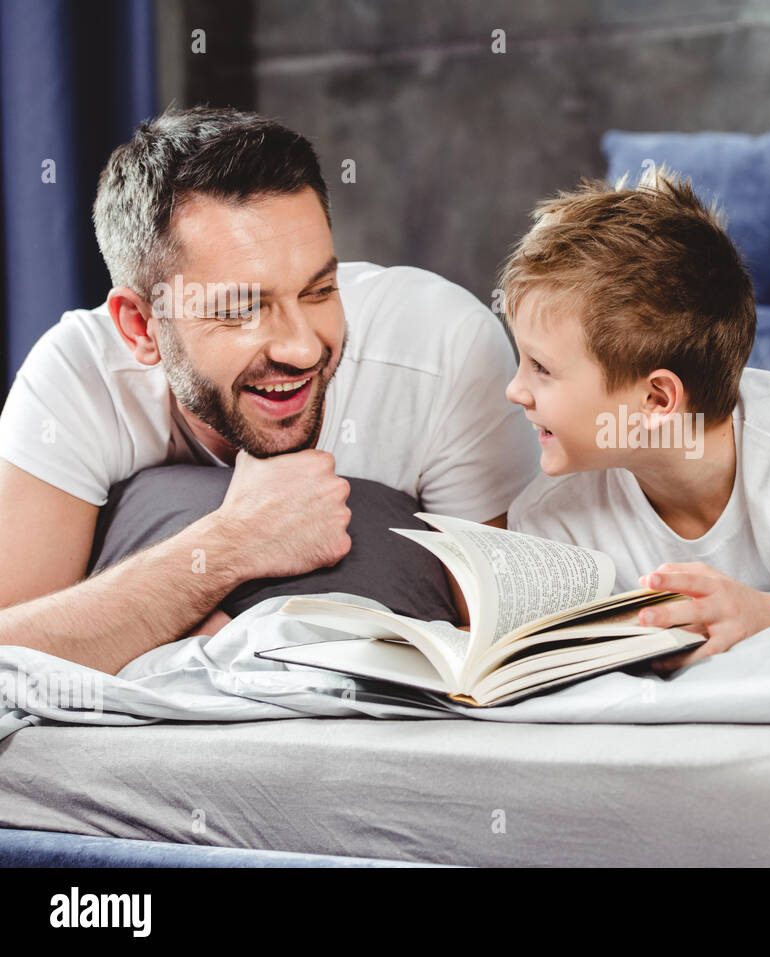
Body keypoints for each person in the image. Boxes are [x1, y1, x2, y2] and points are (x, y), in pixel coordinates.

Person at [0, 107, 537, 673]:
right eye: (241, 309)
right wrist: (235, 543)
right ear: (141, 326)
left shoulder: (443, 347)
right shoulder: (80, 377)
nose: (303, 349)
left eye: (319, 290)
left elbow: (498, 639)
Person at [500, 167, 770, 672]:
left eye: (541, 367)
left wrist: (768, 617)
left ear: (656, 400)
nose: (515, 391)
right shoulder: (549, 516)